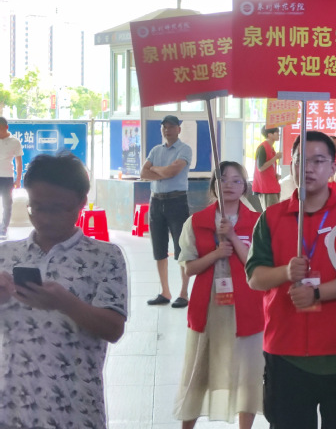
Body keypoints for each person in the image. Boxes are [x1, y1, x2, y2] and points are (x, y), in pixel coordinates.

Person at [246, 131, 336, 429]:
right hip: (285, 351)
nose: (308, 168)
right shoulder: (271, 218)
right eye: (300, 160)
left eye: (318, 161)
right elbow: (255, 277)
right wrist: (286, 273)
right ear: (290, 165)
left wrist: (317, 293)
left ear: (333, 167)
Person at [0, 152, 127, 428]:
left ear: (81, 202)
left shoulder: (104, 257)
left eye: (57, 209)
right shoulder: (6, 255)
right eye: (36, 208)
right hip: (12, 407)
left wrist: (66, 302)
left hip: (76, 409)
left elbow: (114, 328)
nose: (45, 218)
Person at [174, 161, 264, 429]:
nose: (229, 185)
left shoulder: (257, 223)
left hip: (246, 307)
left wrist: (232, 237)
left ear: (245, 187)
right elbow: (189, 268)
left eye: (237, 180)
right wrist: (215, 254)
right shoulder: (196, 222)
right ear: (213, 185)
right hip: (208, 306)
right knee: (198, 371)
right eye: (222, 179)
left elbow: (255, 265)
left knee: (247, 372)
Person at [140, 114, 192, 308]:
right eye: (164, 127)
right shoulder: (155, 150)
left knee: (182, 248)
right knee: (159, 248)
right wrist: (163, 171)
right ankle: (165, 292)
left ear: (179, 129)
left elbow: (173, 172)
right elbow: (143, 173)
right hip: (156, 201)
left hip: (177, 201)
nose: (167, 130)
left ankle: (184, 293)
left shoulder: (184, 149)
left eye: (171, 127)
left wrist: (156, 169)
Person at [0, 117, 23, 240]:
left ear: (6, 127)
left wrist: (18, 179)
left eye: (0, 129)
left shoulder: (15, 142)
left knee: (7, 204)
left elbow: (19, 162)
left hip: (7, 177)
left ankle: (3, 229)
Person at [253, 126, 281, 211]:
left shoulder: (271, 148)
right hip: (266, 188)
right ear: (269, 134)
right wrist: (275, 157)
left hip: (272, 186)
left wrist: (275, 175)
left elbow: (268, 167)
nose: (279, 134)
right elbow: (261, 167)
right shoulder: (262, 148)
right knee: (271, 213)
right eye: (276, 132)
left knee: (275, 212)